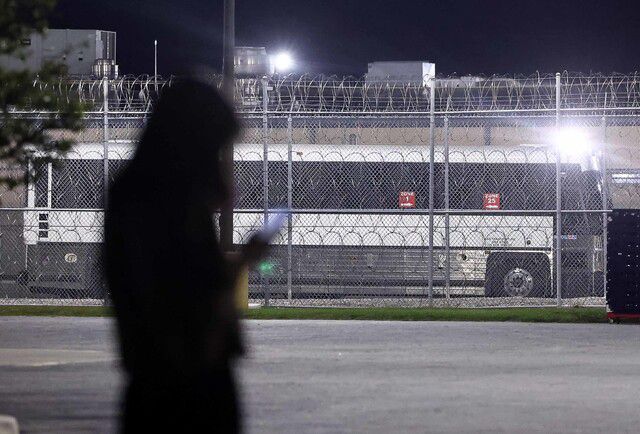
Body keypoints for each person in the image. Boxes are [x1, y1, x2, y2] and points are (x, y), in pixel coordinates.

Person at [105, 78, 266, 433]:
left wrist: (241, 260)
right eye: (215, 148)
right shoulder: (166, 204)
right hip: (183, 386)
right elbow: (189, 296)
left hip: (163, 381)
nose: (218, 159)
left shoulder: (140, 194)